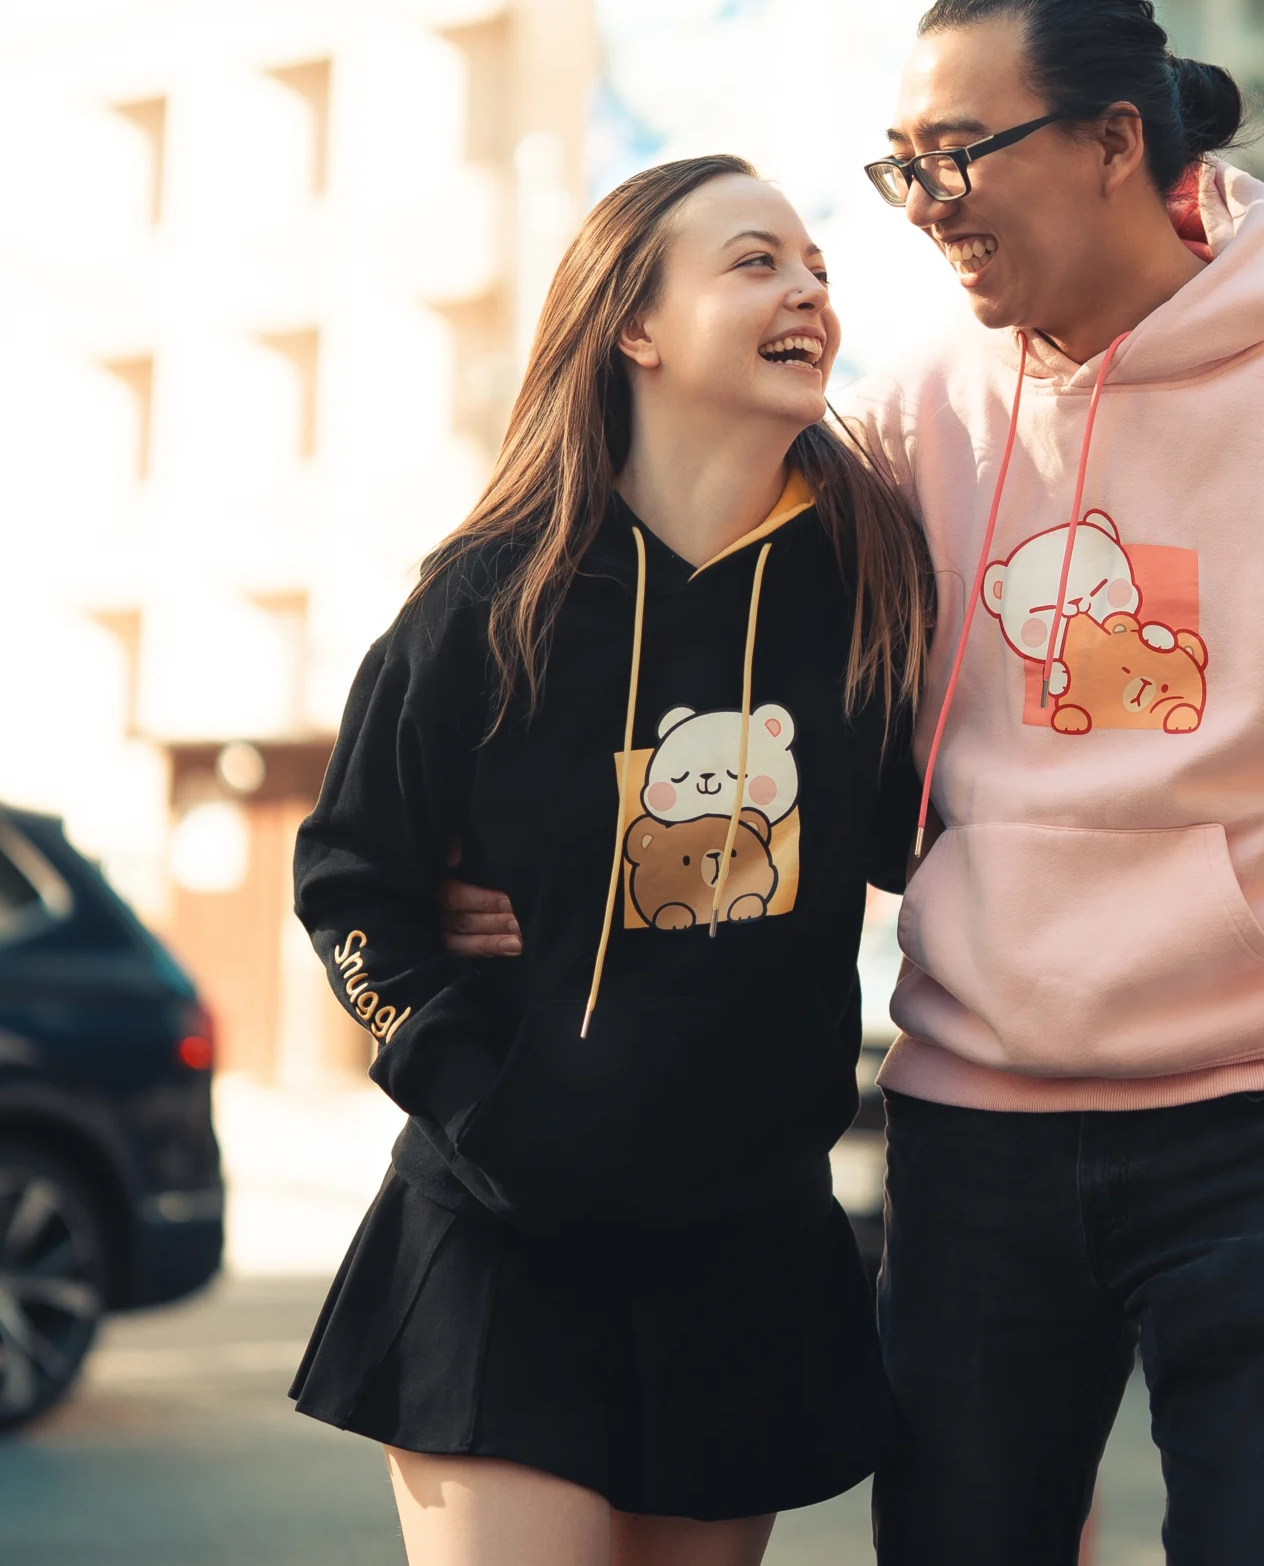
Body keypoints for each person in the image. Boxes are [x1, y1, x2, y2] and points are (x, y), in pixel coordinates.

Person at [442, 0, 1264, 1564]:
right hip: (973, 1119)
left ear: (1112, 142)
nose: (925, 204)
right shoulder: (916, 417)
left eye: (958, 154)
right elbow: (704, 637)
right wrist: (490, 846)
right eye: (904, 165)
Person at [287, 154, 929, 1566]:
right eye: (756, 260)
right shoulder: (492, 595)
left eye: (817, 267)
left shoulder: (872, 583)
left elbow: (939, 832)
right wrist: (483, 1100)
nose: (808, 290)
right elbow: (350, 884)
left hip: (746, 1248)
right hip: (508, 1240)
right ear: (635, 324)